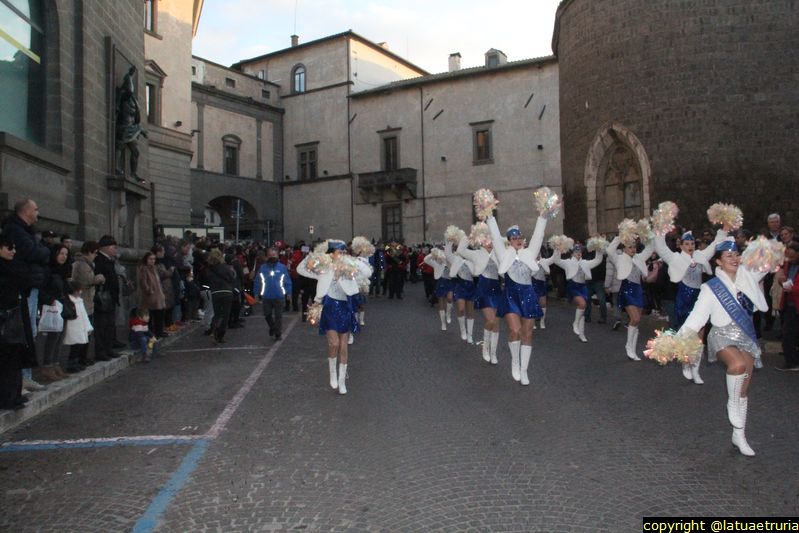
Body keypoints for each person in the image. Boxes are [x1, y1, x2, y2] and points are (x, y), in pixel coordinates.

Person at [678, 238, 768, 456]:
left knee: (744, 388)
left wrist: (768, 247)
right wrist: (679, 338)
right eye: (729, 256)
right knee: (736, 365)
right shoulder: (711, 288)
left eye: (737, 254)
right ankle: (731, 404)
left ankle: (739, 435)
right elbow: (698, 316)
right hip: (721, 335)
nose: (735, 259)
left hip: (745, 336)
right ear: (718, 262)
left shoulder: (748, 276)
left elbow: (766, 263)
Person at [654, 226, 729, 383]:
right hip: (683, 299)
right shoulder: (675, 258)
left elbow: (715, 244)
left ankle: (696, 369)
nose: (690, 247)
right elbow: (660, 247)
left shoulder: (701, 256)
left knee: (700, 336)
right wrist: (659, 230)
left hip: (699, 299)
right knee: (687, 335)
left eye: (692, 244)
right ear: (681, 246)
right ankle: (686, 362)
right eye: (687, 244)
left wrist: (724, 230)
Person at [298, 240, 371, 395]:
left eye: (344, 252)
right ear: (331, 254)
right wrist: (315, 255)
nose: (342, 255)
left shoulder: (348, 269)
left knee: (343, 346)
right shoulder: (323, 268)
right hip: (329, 308)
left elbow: (367, 272)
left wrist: (355, 260)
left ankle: (342, 381)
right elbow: (301, 269)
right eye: (340, 252)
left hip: (345, 308)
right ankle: (332, 373)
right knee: (334, 344)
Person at [486, 213, 550, 386]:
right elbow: (495, 237)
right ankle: (515, 361)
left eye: (519, 237)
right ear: (508, 241)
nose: (517, 240)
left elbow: (538, 235)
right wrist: (489, 216)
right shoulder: (503, 253)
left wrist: (543, 217)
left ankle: (524, 370)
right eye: (513, 238)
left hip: (528, 294)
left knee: (528, 333)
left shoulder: (529, 252)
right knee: (515, 330)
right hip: (511, 295)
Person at [2, 198, 50, 392]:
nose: (38, 213)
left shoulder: (25, 231)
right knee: (22, 333)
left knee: (30, 332)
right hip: (22, 288)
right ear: (26, 211)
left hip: (30, 286)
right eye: (36, 209)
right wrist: (42, 251)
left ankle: (25, 376)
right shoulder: (15, 230)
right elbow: (34, 253)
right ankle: (20, 378)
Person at [0, 235, 35, 410]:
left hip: (15, 317)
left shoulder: (12, 267)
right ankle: (7, 397)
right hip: (5, 319)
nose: (13, 251)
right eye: (9, 247)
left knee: (15, 358)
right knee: (6, 360)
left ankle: (14, 394)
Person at [606, 235, 654, 361]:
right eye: (630, 247)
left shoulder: (639, 258)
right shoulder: (619, 258)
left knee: (637, 321)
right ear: (624, 248)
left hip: (638, 290)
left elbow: (650, 249)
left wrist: (650, 235)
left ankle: (632, 348)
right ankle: (628, 346)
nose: (633, 249)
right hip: (627, 290)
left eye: (634, 247)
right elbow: (610, 250)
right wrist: (620, 236)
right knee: (635, 318)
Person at [549, 242, 605, 343]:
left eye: (580, 251)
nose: (578, 253)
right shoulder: (568, 262)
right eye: (576, 251)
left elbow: (598, 260)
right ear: (572, 253)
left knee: (582, 309)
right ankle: (575, 323)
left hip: (583, 287)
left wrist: (598, 248)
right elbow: (556, 260)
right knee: (582, 304)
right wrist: (557, 248)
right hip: (573, 286)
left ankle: (582, 334)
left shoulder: (585, 263)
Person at [457, 235, 501, 363]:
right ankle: (485, 348)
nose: (489, 243)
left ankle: (493, 353)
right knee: (491, 320)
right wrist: (470, 235)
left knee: (496, 323)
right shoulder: (476, 254)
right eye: (486, 241)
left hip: (496, 289)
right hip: (483, 289)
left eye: (491, 241)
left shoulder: (498, 254)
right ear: (481, 242)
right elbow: (460, 250)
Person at [35, 244, 71, 382]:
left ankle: (56, 364)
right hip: (51, 306)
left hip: (62, 306)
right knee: (51, 337)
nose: (63, 257)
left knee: (59, 337)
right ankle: (47, 365)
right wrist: (50, 300)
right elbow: (41, 288)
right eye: (61, 253)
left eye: (66, 254)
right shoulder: (47, 270)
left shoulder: (62, 271)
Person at [115, 66, 148, 182]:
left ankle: (133, 173)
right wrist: (129, 75)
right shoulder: (123, 97)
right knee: (119, 146)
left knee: (135, 152)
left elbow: (136, 119)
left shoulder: (133, 101)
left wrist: (142, 131)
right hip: (123, 126)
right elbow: (129, 90)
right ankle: (116, 167)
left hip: (131, 128)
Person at [254, 247, 292, 341]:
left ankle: (278, 334)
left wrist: (289, 293)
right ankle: (273, 327)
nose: (272, 257)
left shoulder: (282, 268)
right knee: (267, 315)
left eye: (274, 255)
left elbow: (287, 281)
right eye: (270, 255)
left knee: (278, 316)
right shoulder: (262, 268)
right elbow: (257, 281)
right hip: (266, 296)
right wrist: (256, 293)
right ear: (267, 256)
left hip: (279, 296)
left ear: (277, 255)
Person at [93, 235, 121, 362]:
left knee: (109, 325)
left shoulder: (110, 260)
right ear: (106, 247)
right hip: (103, 298)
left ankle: (108, 348)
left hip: (111, 298)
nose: (115, 250)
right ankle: (101, 351)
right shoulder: (99, 260)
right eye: (113, 247)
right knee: (101, 326)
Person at [774, 241, 799, 371]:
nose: (790, 259)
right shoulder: (788, 265)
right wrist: (781, 281)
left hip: (795, 301)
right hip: (790, 303)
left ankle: (793, 361)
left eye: (792, 256)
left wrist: (793, 289)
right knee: (788, 334)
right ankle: (792, 361)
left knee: (790, 334)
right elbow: (785, 278)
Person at [448, 238, 476, 344]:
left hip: (471, 287)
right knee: (460, 309)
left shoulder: (472, 260)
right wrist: (450, 239)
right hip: (460, 286)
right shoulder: (455, 259)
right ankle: (463, 330)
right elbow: (447, 253)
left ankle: (470, 335)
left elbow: (477, 272)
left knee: (470, 311)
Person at [205, 249, 235, 344]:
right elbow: (232, 277)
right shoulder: (225, 267)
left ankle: (214, 331)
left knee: (217, 314)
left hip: (215, 292)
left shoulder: (209, 269)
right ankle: (220, 334)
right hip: (226, 291)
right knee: (225, 315)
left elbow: (207, 279)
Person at [63, 280, 94, 371]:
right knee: (74, 348)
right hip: (74, 328)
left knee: (78, 347)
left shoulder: (79, 301)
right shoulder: (71, 302)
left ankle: (76, 363)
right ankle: (72, 364)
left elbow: (84, 316)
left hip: (80, 328)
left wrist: (88, 327)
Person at [423, 245, 453, 331]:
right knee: (441, 302)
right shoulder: (436, 262)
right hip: (440, 281)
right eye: (441, 251)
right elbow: (425, 259)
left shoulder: (449, 260)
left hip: (450, 281)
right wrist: (433, 252)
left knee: (450, 299)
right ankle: (443, 323)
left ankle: (448, 313)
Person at [137, 251, 166, 338]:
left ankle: (159, 332)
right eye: (150, 259)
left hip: (157, 295)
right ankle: (151, 333)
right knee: (151, 315)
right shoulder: (144, 269)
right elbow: (143, 282)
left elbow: (158, 282)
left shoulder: (154, 268)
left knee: (159, 314)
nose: (152, 261)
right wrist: (149, 290)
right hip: (150, 296)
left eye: (154, 259)